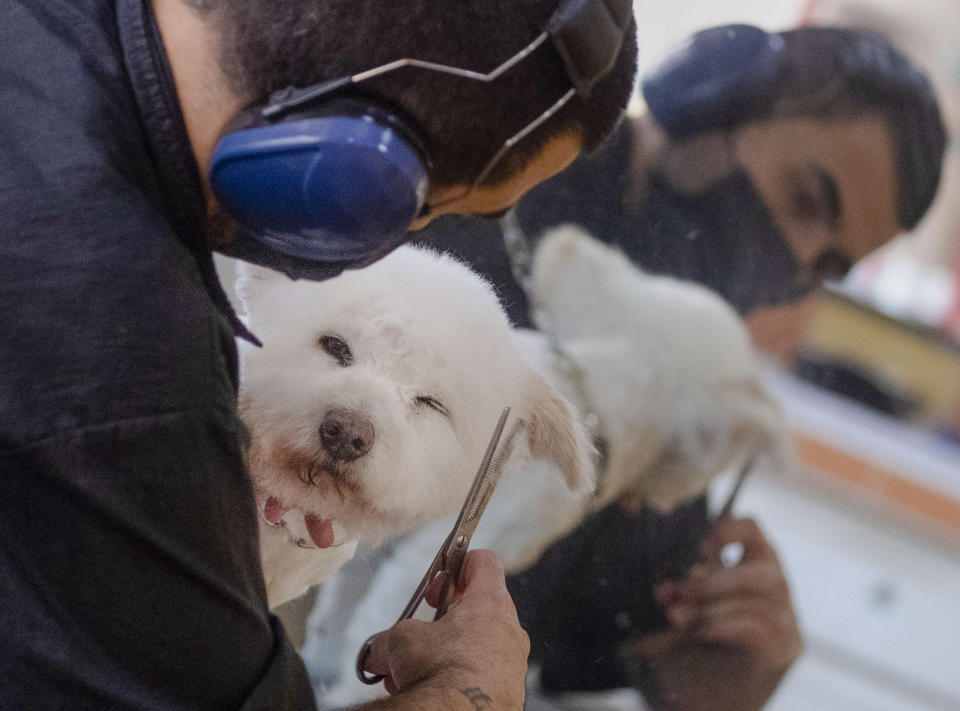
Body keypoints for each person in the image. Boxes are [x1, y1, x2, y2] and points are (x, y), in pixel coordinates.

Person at [0, 1, 637, 710]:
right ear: (353, 157)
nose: (392, 241)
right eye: (422, 205)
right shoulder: (129, 360)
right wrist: (469, 689)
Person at [415, 24, 946, 710]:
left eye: (825, 265)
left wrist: (700, 668)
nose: (793, 258)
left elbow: (570, 651)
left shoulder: (680, 382)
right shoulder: (482, 179)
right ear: (708, 90)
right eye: (807, 200)